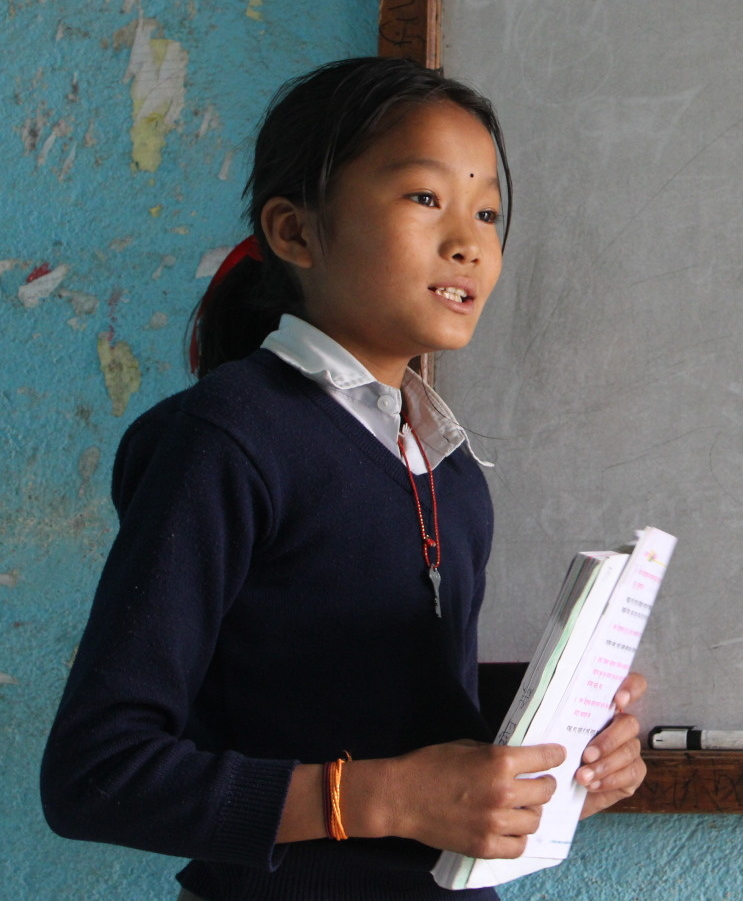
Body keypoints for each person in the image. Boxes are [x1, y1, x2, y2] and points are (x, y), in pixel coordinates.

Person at [40, 57, 647, 900]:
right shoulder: (226, 440)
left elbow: (369, 698)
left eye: (489, 213)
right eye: (425, 198)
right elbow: (97, 772)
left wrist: (567, 737)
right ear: (295, 231)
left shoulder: (453, 468)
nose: (469, 240)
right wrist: (388, 795)